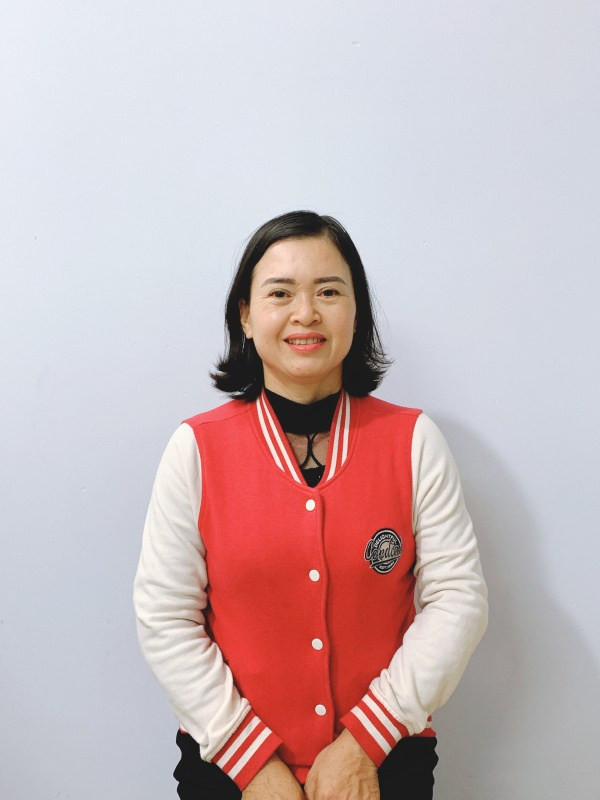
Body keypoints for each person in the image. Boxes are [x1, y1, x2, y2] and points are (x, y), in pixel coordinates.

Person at [133, 210, 488, 800]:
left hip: (385, 763)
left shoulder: (413, 441)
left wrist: (366, 743)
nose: (306, 313)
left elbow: (458, 600)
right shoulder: (195, 449)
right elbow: (165, 618)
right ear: (246, 316)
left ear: (357, 312)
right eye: (280, 293)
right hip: (226, 767)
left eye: (328, 291)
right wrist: (249, 763)